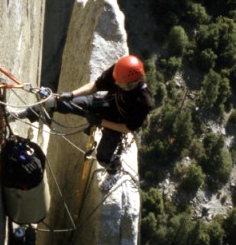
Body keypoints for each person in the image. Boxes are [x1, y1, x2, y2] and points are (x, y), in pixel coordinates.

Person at [13, 54, 153, 171]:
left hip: (118, 123)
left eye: (119, 83)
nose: (115, 84)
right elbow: (95, 86)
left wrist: (100, 122)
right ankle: (20, 114)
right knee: (55, 102)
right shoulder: (120, 70)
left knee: (102, 157)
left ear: (132, 83)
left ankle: (111, 166)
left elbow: (127, 128)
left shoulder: (143, 102)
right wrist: (71, 94)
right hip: (107, 104)